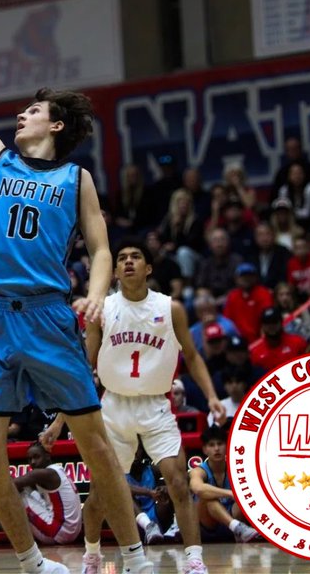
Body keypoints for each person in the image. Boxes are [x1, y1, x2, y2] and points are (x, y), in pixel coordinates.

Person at [0, 12, 148, 574]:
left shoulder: (76, 179)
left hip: (47, 319)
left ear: (58, 125)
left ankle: (135, 557)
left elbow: (102, 248)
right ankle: (33, 562)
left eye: (34, 109)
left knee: (97, 449)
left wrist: (93, 293)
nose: (22, 113)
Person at [84, 239, 225, 574]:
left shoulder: (169, 308)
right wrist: (63, 418)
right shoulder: (101, 309)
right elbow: (84, 365)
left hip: (155, 406)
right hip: (113, 406)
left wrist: (211, 397)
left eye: (136, 257)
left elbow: (191, 356)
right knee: (101, 494)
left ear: (148, 268)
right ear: (115, 271)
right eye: (121, 259)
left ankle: (194, 560)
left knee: (178, 482)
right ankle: (90, 556)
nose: (128, 262)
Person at [0, 428, 81, 549]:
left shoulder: (42, 474)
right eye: (29, 459)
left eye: (37, 457)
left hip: (59, 533)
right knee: (17, 489)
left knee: (7, 493)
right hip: (71, 531)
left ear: (48, 456)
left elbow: (6, 487)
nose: (32, 462)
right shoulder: (56, 471)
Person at [189, 424, 259, 543]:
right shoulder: (198, 471)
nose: (216, 449)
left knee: (246, 496)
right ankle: (236, 527)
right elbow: (199, 489)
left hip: (236, 518)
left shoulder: (237, 468)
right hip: (209, 526)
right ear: (205, 450)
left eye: (220, 444)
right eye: (211, 445)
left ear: (227, 446)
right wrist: (231, 493)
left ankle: (242, 530)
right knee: (207, 498)